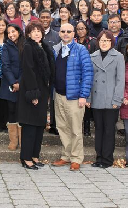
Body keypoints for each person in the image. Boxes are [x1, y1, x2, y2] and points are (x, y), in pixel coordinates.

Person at [51, 22, 94, 171]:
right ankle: (66, 156)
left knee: (75, 129)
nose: (66, 34)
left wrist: (84, 95)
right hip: (58, 95)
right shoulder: (55, 50)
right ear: (59, 33)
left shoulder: (81, 50)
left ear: (74, 34)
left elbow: (88, 74)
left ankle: (76, 158)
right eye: (63, 31)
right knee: (62, 127)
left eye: (69, 31)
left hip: (75, 97)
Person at [18, 21, 55, 170]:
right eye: (33, 31)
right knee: (30, 127)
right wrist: (33, 93)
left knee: (39, 126)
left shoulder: (44, 47)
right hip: (31, 90)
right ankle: (26, 158)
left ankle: (35, 155)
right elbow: (28, 70)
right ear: (28, 34)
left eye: (39, 30)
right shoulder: (28, 47)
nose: (37, 33)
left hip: (43, 89)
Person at [87, 30, 125, 169]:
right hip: (96, 99)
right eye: (102, 40)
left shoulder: (118, 56)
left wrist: (117, 100)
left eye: (107, 40)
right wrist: (88, 97)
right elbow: (89, 79)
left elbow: (120, 80)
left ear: (112, 42)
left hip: (110, 100)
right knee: (98, 129)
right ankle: (99, 157)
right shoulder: (92, 56)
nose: (104, 43)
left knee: (109, 130)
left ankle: (107, 159)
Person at [0, 24, 24, 150]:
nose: (11, 34)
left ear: (18, 32)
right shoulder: (6, 46)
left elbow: (27, 65)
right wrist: (13, 82)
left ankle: (22, 140)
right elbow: (5, 65)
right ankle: (13, 141)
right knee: (11, 110)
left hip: (23, 82)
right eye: (8, 32)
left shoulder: (25, 45)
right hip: (9, 83)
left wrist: (20, 82)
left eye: (13, 31)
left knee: (22, 110)